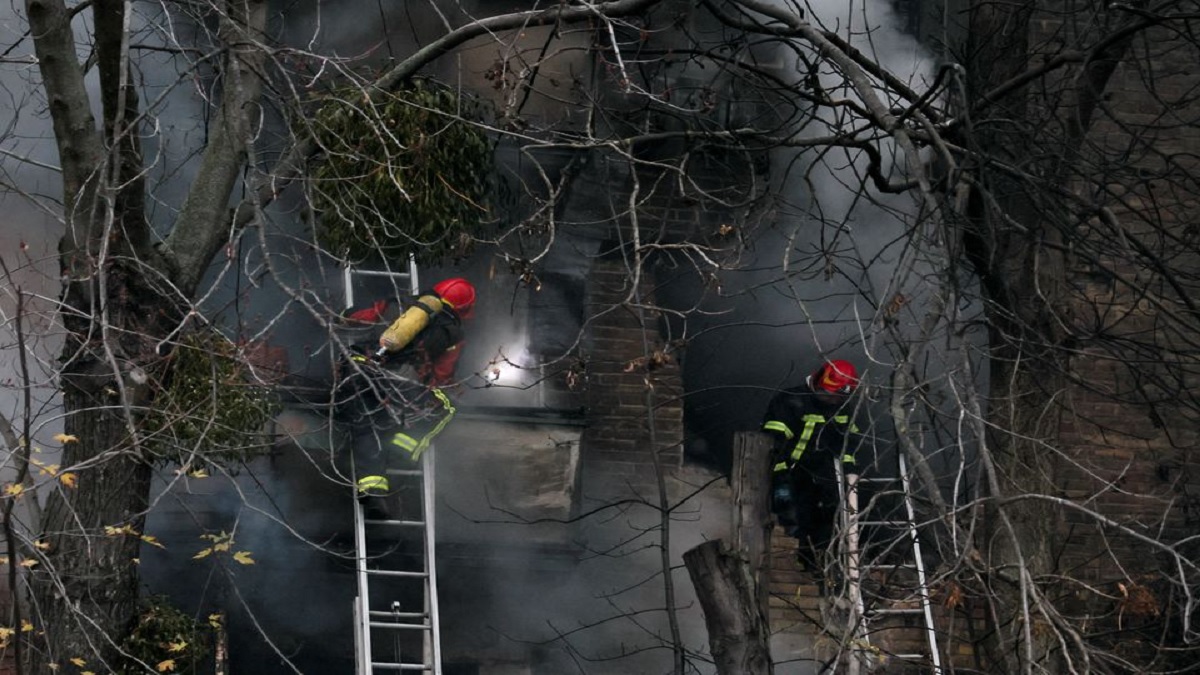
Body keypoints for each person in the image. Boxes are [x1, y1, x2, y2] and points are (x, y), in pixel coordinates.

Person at [338, 277, 476, 518]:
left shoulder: (397, 304)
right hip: (396, 382)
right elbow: (442, 377)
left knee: (366, 423)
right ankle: (401, 452)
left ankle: (368, 483)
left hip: (356, 369)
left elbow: (354, 317)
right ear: (463, 310)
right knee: (446, 406)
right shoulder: (453, 333)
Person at [761, 359, 862, 573]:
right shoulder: (790, 400)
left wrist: (849, 474)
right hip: (784, 470)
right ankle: (783, 563)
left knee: (823, 519)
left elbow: (847, 443)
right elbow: (772, 439)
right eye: (826, 392)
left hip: (818, 475)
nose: (829, 398)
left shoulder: (843, 409)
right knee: (786, 514)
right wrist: (778, 470)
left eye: (836, 395)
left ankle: (811, 567)